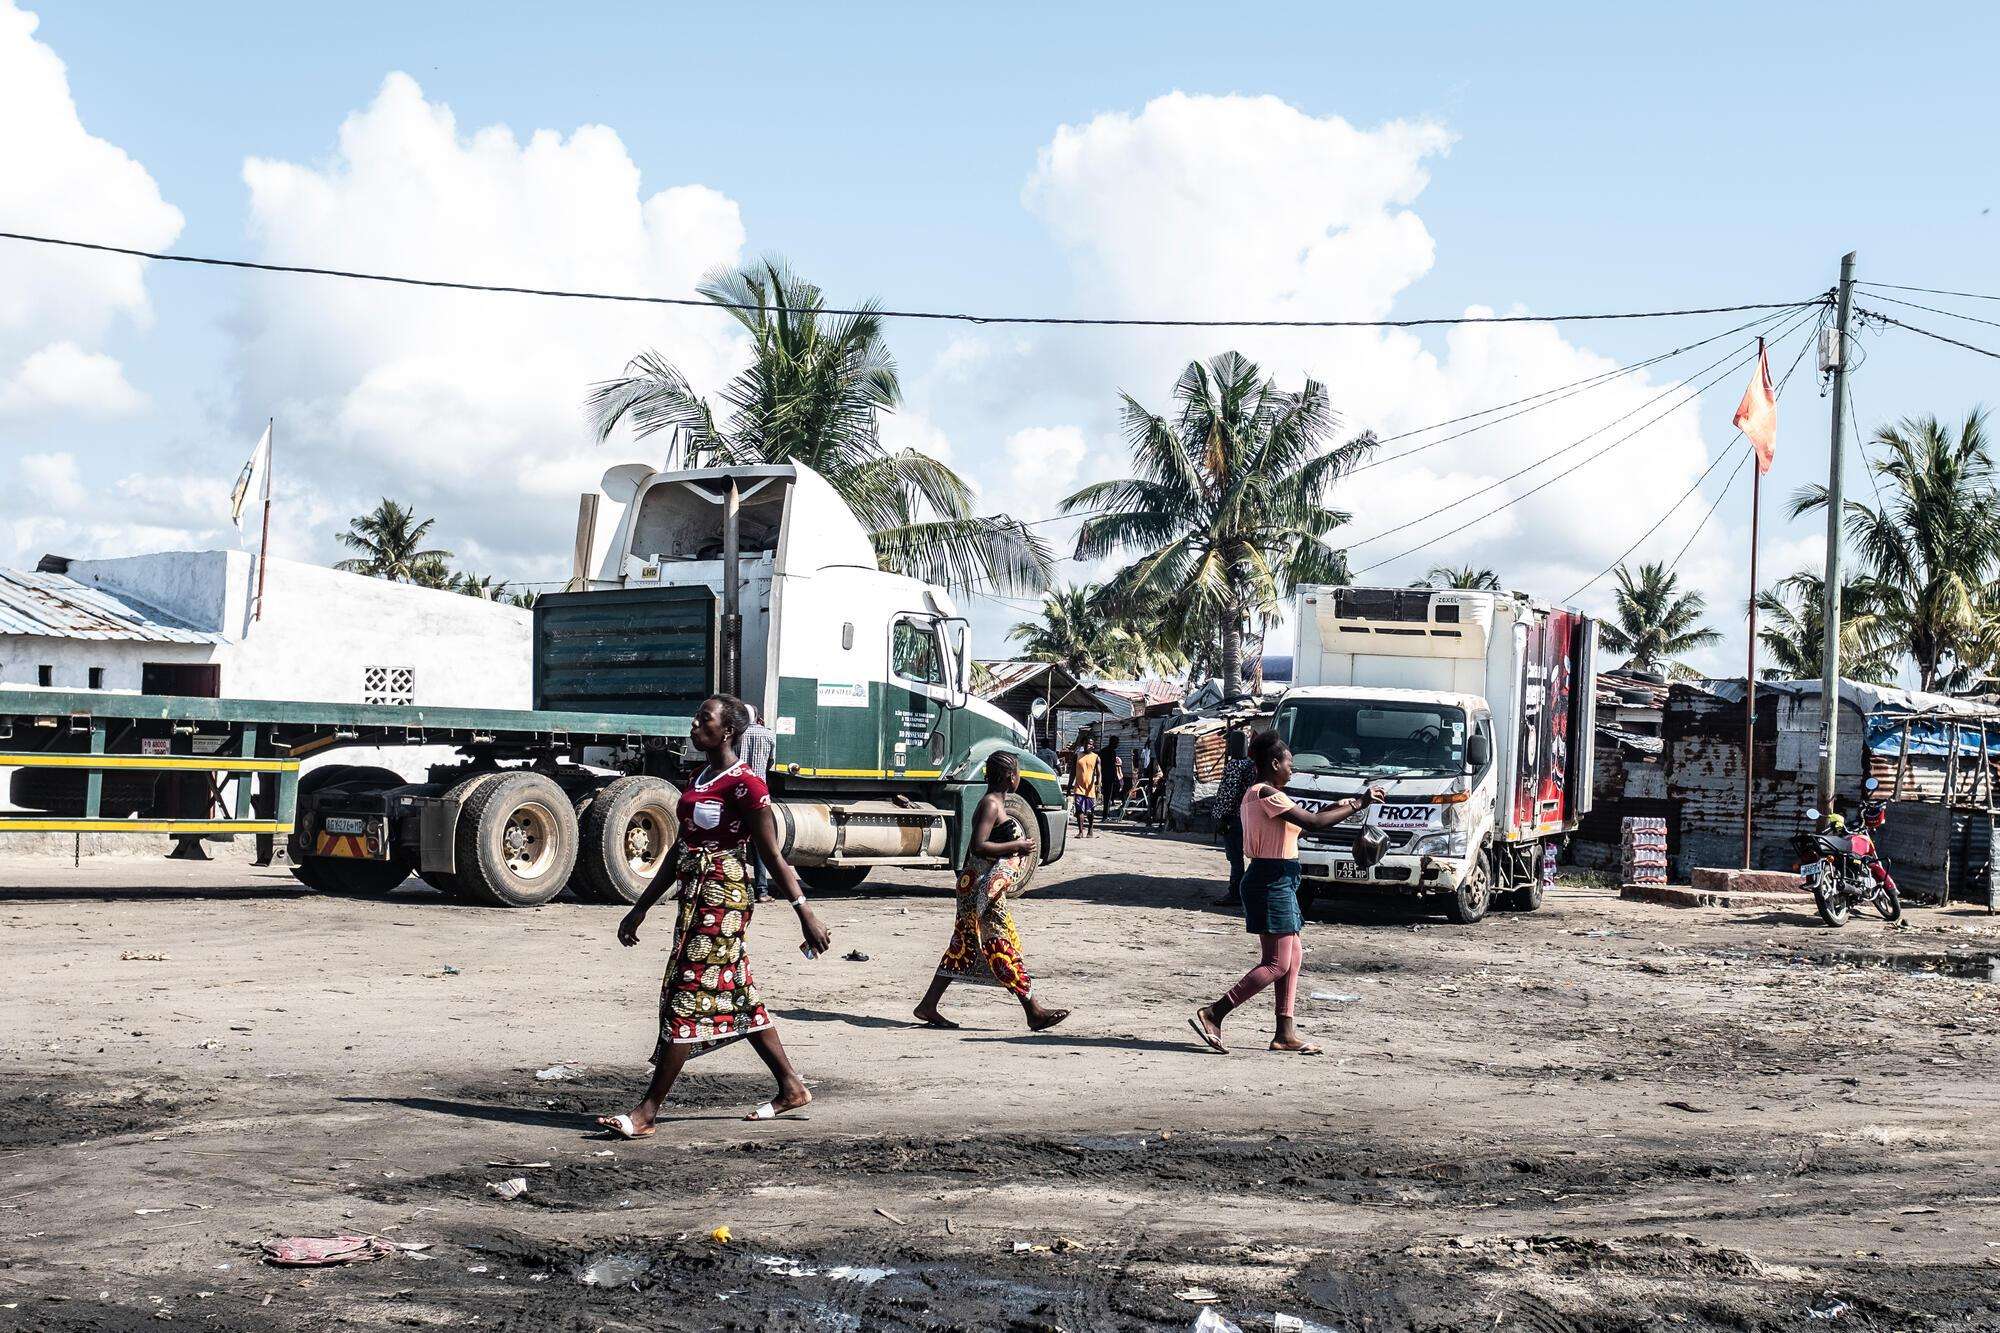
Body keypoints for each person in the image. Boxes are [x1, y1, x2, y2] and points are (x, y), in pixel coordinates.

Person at [596, 694, 833, 1137]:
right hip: (694, 896)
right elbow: (677, 852)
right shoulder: (700, 775)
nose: (694, 723)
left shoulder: (747, 785)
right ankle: (791, 1087)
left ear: (727, 731)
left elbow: (772, 856)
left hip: (723, 899)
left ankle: (647, 1112)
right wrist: (640, 908)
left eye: (704, 718)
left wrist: (805, 913)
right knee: (737, 993)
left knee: (691, 991)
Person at [1189, 730, 1382, 1056]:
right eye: (1290, 763)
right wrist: (1359, 803)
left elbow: (1309, 820)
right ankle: (1214, 1012)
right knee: (1277, 962)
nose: (1292, 769)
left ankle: (1284, 1033)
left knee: (1293, 958)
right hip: (1269, 880)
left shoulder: (1270, 796)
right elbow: (1315, 823)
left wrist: (1349, 803)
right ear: (1275, 763)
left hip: (1281, 879)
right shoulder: (1266, 793)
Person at [913, 752, 1070, 1033]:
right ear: (1011, 777)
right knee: (999, 945)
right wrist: (1017, 847)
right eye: (1018, 772)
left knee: (962, 946)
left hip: (981, 886)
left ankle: (928, 1005)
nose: (1019, 777)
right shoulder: (990, 804)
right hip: (980, 889)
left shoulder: (998, 803)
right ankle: (1032, 1010)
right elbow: (978, 846)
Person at [1211, 732, 1256, 907]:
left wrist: (1219, 817)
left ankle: (1235, 893)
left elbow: (1227, 795)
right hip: (1248, 817)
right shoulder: (1251, 765)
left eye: (1229, 744)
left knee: (1235, 858)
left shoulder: (1235, 765)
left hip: (1233, 818)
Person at [740, 706, 778, 902]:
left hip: (738, 792)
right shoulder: (769, 735)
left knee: (738, 844)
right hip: (760, 793)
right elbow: (771, 761)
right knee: (761, 844)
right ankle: (762, 890)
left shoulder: (738, 735)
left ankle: (741, 889)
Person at [1069, 742, 1100, 838]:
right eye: (1086, 744)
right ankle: (1080, 831)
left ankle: (1090, 829)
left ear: (1093, 746)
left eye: (1090, 744)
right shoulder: (1077, 756)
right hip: (1079, 787)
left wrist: (1098, 784)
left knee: (1090, 811)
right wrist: (1070, 785)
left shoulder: (1096, 757)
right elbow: (1073, 772)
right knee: (1079, 810)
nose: (1088, 745)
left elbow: (1099, 773)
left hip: (1090, 788)